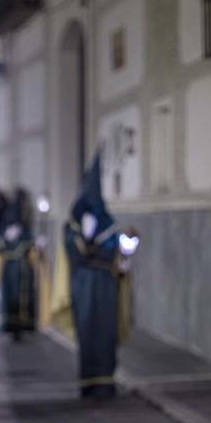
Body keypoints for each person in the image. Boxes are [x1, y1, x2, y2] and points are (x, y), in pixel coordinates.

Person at [62, 155, 137, 400]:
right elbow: (73, 250)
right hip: (84, 284)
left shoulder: (108, 224)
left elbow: (119, 256)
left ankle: (105, 380)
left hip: (105, 285)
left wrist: (125, 248)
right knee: (87, 331)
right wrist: (87, 246)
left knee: (106, 331)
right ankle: (88, 381)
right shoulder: (73, 225)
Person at [0, 188, 38, 341]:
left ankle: (20, 325)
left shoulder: (19, 223)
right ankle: (14, 325)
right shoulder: (13, 224)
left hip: (19, 266)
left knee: (20, 296)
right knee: (12, 295)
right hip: (16, 266)